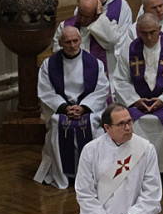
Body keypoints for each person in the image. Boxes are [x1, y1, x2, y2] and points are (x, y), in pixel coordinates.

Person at [112, 13, 163, 183]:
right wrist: (135, 100)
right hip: (137, 104)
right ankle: (136, 170)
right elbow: (120, 80)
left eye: (152, 32)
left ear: (160, 29)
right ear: (138, 31)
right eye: (144, 33)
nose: (149, 37)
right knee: (131, 124)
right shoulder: (129, 51)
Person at [34, 27, 110, 189]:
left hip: (87, 109)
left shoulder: (94, 63)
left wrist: (84, 107)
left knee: (91, 125)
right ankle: (64, 174)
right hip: (62, 110)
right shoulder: (49, 65)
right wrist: (64, 108)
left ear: (80, 40)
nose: (73, 45)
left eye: (75, 41)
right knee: (58, 124)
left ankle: (90, 175)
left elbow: (102, 89)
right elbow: (45, 91)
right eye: (68, 42)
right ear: (60, 43)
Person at [53, 0, 122, 78]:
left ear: (95, 14)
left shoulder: (107, 25)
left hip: (101, 76)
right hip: (72, 74)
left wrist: (100, 17)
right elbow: (56, 51)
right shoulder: (65, 26)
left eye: (87, 17)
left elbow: (111, 41)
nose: (82, 19)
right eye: (80, 14)